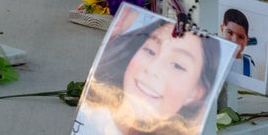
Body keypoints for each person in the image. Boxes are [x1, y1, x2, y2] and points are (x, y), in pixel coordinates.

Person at [73, 19, 223, 135]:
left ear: (195, 93)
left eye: (177, 65)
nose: (152, 69)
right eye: (150, 51)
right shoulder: (90, 117)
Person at [220, 8, 255, 77]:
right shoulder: (211, 56)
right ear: (222, 29)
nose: (234, 41)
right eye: (230, 32)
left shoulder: (249, 65)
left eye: (241, 37)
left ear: (247, 40)